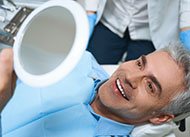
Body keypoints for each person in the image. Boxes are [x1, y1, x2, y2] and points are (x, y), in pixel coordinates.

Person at [1, 42, 190, 137]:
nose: (130, 78)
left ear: (160, 117)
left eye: (150, 86)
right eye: (140, 64)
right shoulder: (78, 60)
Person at [81, 0, 190, 64]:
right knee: (89, 69)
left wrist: (187, 27)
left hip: (150, 32)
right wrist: (90, 11)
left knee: (135, 86)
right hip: (111, 19)